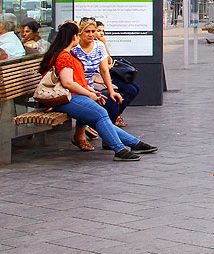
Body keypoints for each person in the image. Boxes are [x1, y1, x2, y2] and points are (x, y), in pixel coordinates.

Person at [40, 22, 155, 161]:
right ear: (74, 36)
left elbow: (76, 80)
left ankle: (134, 143)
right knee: (101, 114)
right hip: (65, 98)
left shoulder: (66, 53)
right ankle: (119, 150)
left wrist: (91, 92)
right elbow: (68, 83)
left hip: (71, 96)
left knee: (100, 118)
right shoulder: (64, 56)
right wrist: (89, 93)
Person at [69, 18, 120, 150]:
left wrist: (111, 90)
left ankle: (107, 137)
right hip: (77, 87)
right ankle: (79, 135)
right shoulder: (74, 48)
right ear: (80, 33)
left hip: (91, 86)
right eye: (88, 32)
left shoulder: (98, 46)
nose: (91, 34)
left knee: (113, 101)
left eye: (93, 31)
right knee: (91, 104)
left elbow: (104, 70)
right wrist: (88, 91)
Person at [95, 21, 140, 129]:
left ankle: (116, 114)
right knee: (130, 90)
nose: (101, 33)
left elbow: (109, 61)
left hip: (106, 74)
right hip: (98, 77)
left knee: (135, 87)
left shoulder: (100, 44)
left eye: (102, 31)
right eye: (98, 31)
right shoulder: (88, 45)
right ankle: (114, 117)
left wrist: (104, 44)